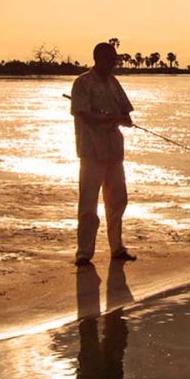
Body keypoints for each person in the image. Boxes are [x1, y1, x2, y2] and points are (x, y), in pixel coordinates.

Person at [71, 40, 137, 265]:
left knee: (118, 200)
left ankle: (117, 247)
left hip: (114, 153)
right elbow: (83, 115)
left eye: (114, 60)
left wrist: (122, 119)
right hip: (91, 152)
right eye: (111, 59)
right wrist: (109, 118)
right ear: (98, 59)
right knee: (88, 204)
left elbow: (126, 115)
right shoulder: (82, 83)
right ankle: (84, 253)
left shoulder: (113, 83)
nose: (114, 64)